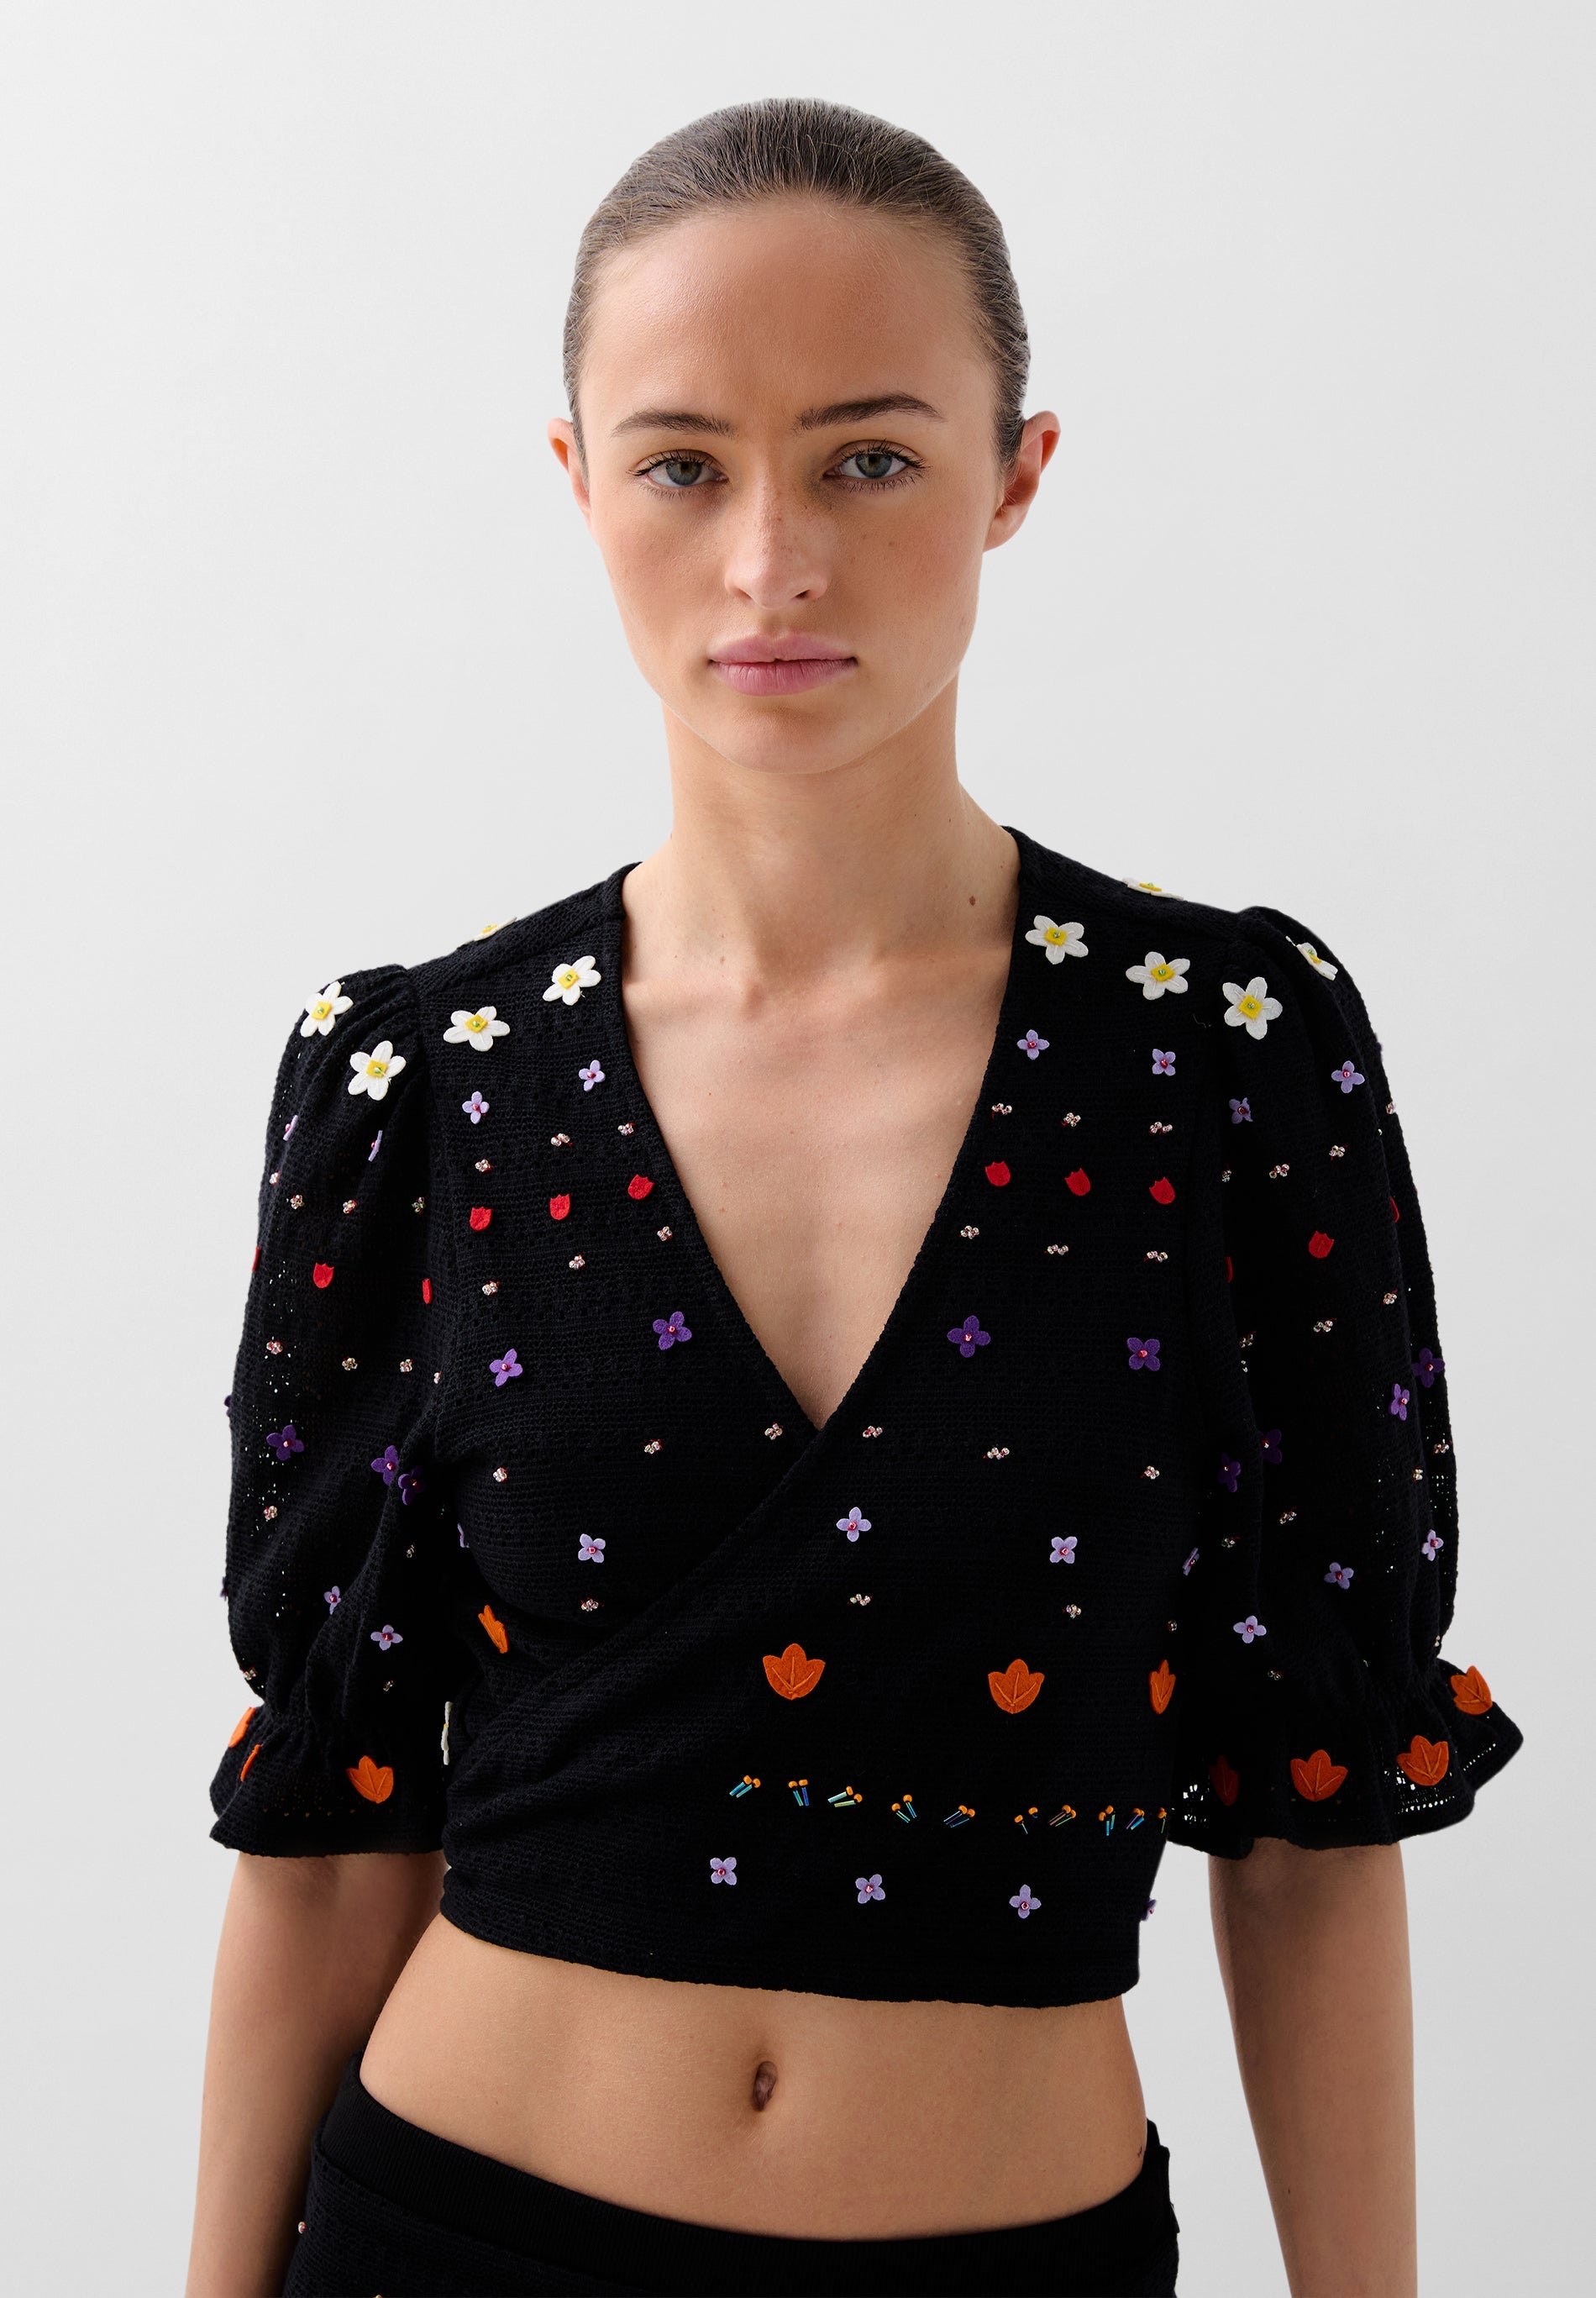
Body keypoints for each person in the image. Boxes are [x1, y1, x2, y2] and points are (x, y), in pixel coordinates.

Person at [186, 98, 1523, 2298]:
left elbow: (1307, 1825)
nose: (770, 560)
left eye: (871, 459)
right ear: (577, 481)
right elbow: (335, 1835)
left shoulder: (1225, 1057)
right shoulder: (424, 1082)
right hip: (450, 2229)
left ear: (1016, 473)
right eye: (683, 464)